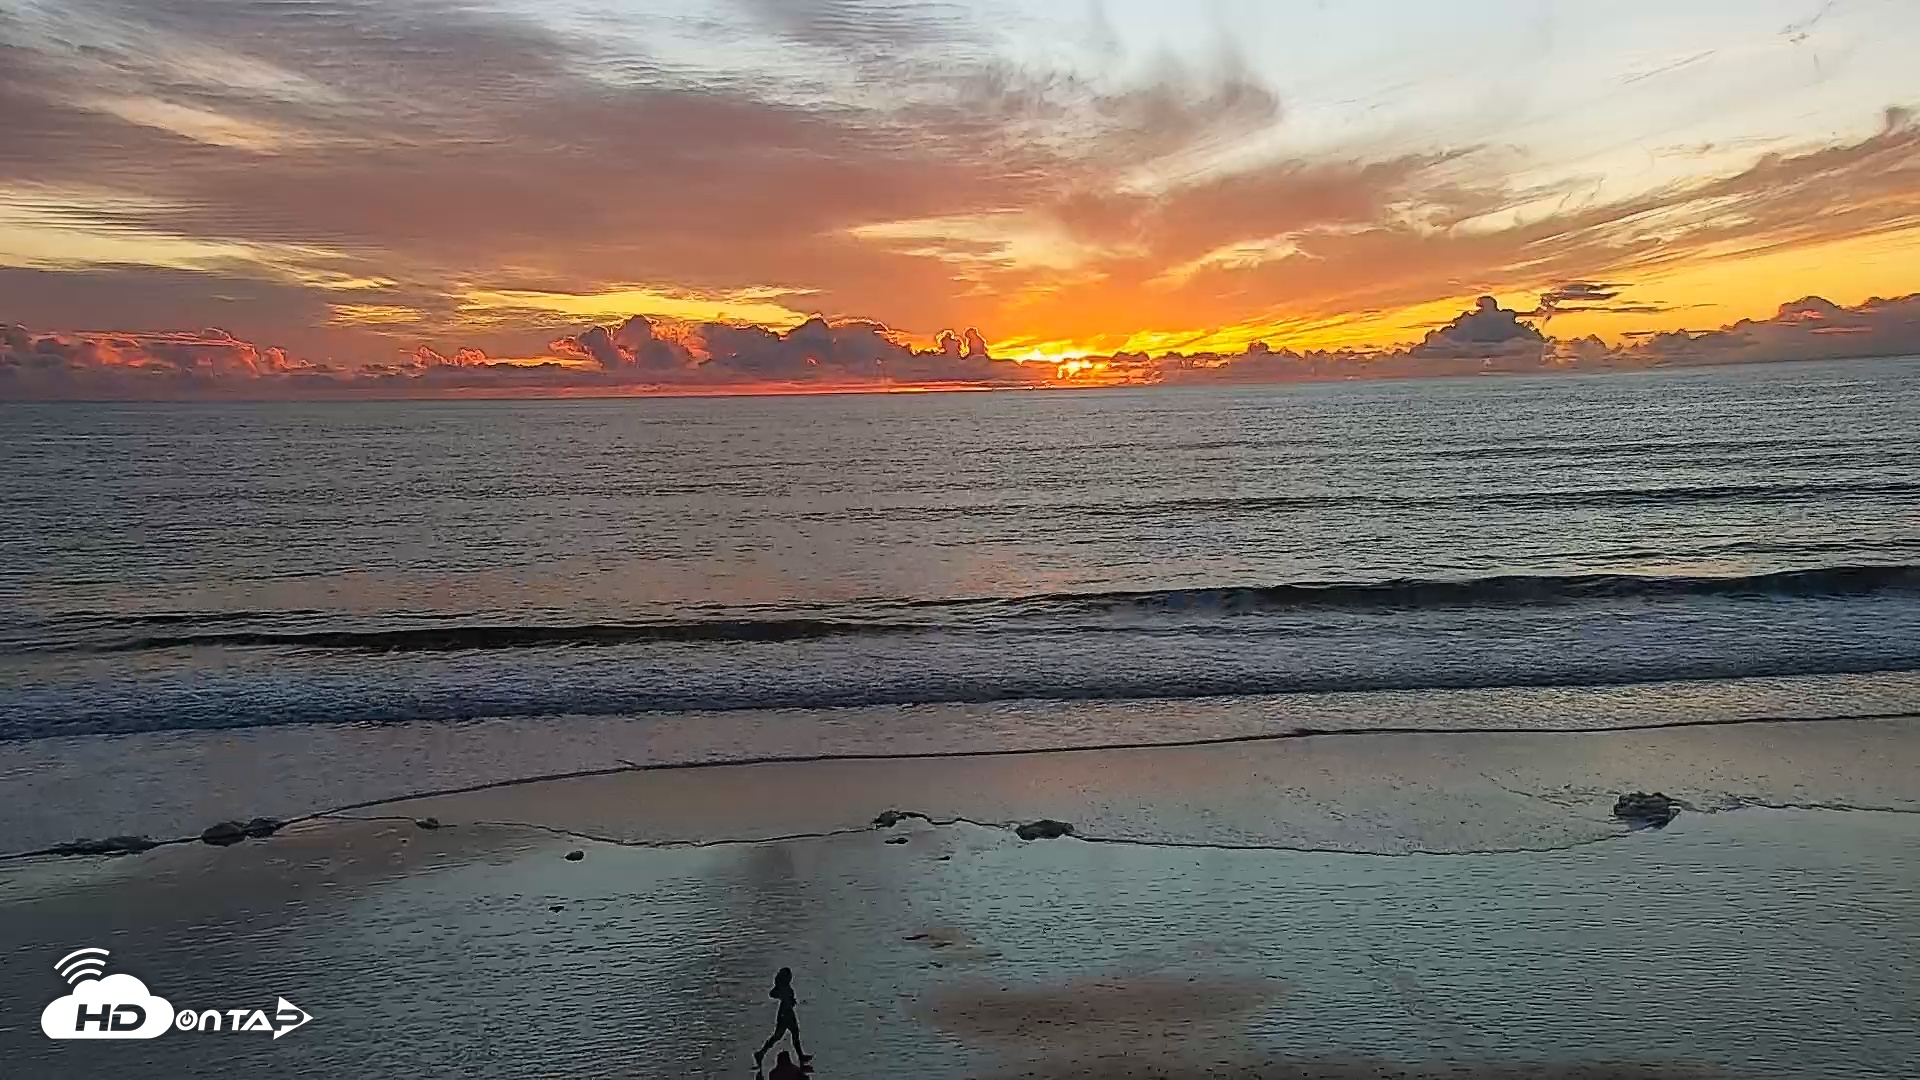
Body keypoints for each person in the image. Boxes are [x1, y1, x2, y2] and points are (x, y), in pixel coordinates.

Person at [754, 967, 809, 1068]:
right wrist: (783, 996)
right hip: (784, 1014)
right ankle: (761, 1053)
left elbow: (788, 998)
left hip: (789, 1013)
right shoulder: (782, 987)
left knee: (794, 1034)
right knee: (778, 1036)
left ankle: (800, 1056)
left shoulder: (787, 987)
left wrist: (791, 1000)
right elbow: (772, 994)